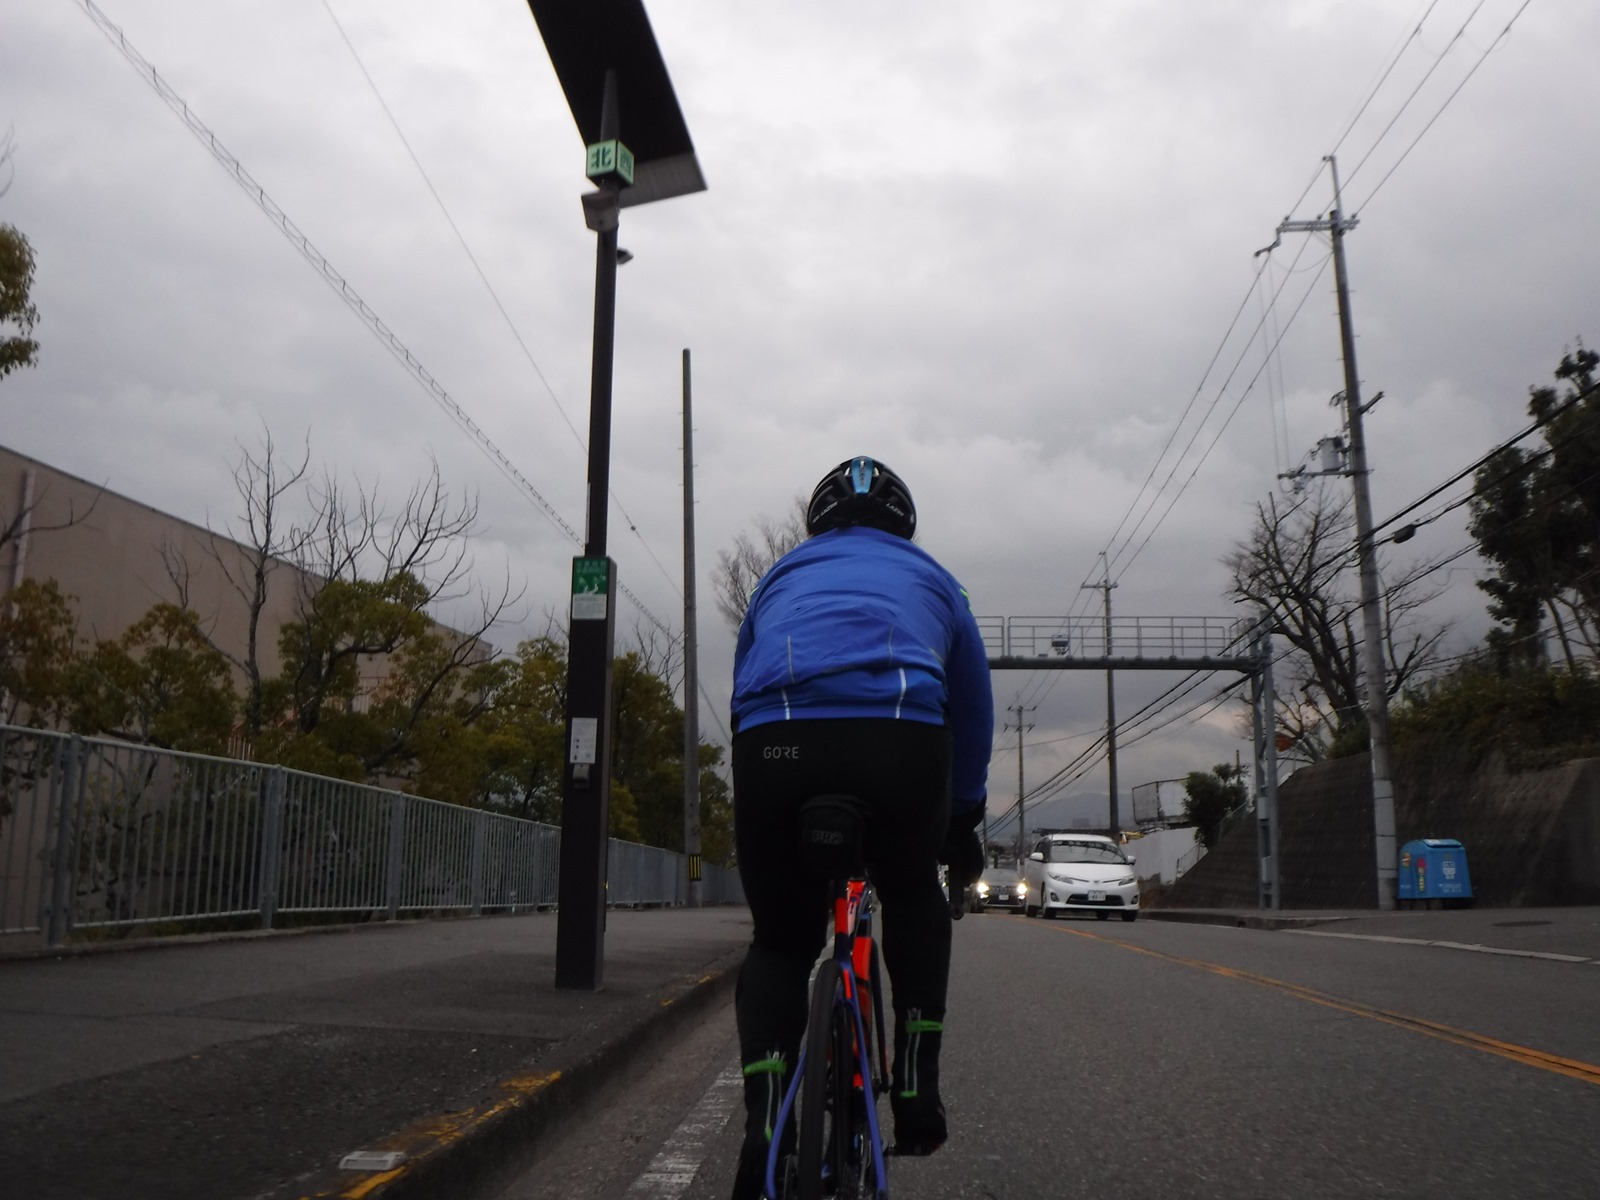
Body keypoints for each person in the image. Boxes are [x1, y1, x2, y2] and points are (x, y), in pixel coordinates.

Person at [728, 455, 993, 1200]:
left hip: (774, 742)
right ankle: (914, 1086)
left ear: (818, 522)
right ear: (903, 524)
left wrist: (763, 778)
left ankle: (765, 1122)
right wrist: (962, 817)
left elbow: (741, 686)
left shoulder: (778, 577)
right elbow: (973, 708)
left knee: (781, 938)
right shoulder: (937, 580)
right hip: (900, 742)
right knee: (911, 893)